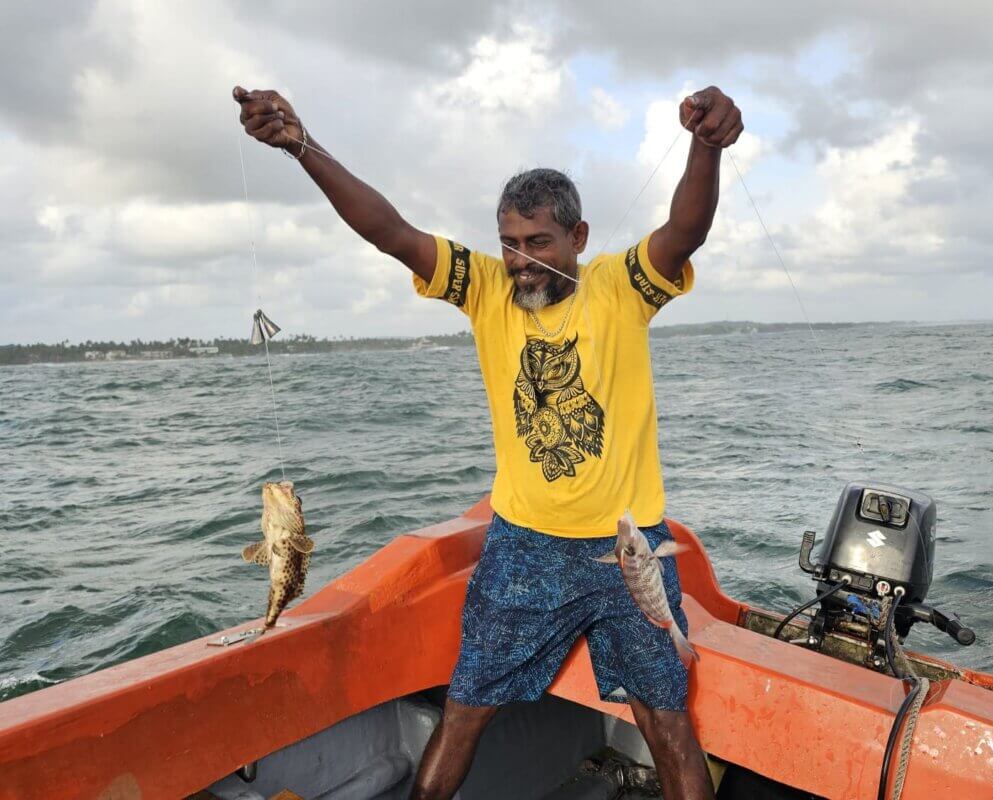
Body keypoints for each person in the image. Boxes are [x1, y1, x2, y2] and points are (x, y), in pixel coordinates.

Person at [234, 82, 742, 800]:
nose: (521, 261)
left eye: (538, 243)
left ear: (579, 238)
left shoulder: (622, 286)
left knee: (665, 721)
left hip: (628, 548)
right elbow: (389, 230)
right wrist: (301, 147)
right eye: (510, 243)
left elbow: (683, 230)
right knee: (467, 706)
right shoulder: (484, 289)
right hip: (522, 545)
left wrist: (704, 144)